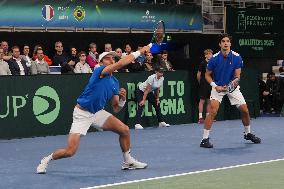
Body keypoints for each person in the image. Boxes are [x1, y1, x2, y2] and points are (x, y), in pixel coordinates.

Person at [36, 46, 150, 174]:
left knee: (124, 130)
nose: (112, 60)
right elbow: (121, 63)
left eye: (112, 58)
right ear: (101, 63)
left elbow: (116, 108)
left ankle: (127, 161)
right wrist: (140, 51)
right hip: (82, 113)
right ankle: (46, 160)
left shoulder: (115, 82)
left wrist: (123, 99)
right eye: (107, 58)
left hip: (97, 113)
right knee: (70, 151)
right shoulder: (99, 71)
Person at [200, 34, 261, 148]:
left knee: (245, 110)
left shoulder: (237, 57)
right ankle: (204, 139)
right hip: (217, 87)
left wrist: (231, 85)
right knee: (213, 111)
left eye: (227, 41)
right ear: (220, 44)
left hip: (231, 87)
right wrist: (215, 85)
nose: (225, 43)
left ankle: (247, 133)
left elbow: (237, 76)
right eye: (223, 41)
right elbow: (207, 75)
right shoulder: (213, 59)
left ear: (230, 44)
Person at [196, 49, 213, 124]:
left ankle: (207, 117)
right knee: (202, 101)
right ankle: (200, 118)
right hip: (203, 83)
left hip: (211, 84)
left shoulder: (213, 63)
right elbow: (198, 74)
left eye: (210, 54)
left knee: (209, 101)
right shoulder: (202, 63)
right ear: (205, 55)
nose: (209, 55)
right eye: (208, 54)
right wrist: (201, 82)